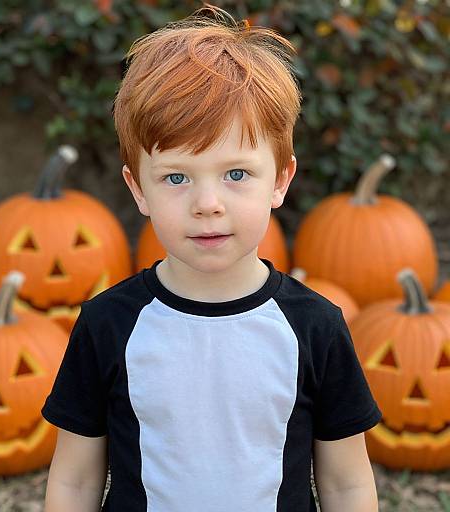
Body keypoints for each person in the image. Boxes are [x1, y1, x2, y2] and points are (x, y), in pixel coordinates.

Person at [41, 4, 381, 511]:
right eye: (176, 177)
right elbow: (74, 482)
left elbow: (346, 485)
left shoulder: (315, 326)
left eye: (236, 174)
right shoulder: (108, 323)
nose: (207, 204)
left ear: (280, 180)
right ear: (139, 191)